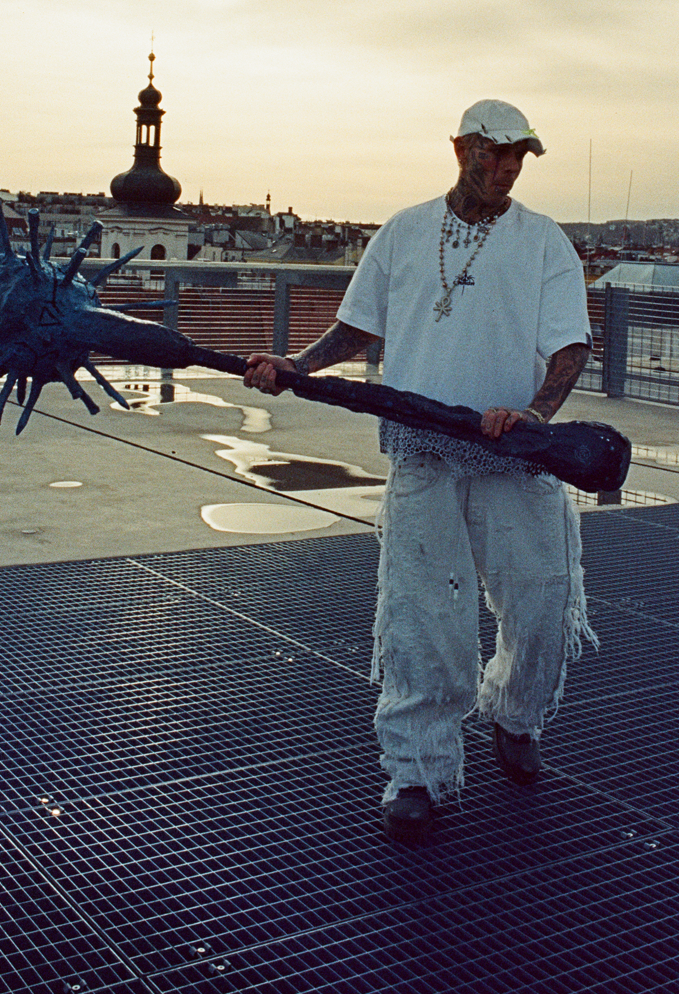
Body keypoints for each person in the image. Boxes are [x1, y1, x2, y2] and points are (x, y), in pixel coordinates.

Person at [244, 99, 595, 845]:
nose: (503, 170)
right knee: (423, 614)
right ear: (460, 147)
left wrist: (535, 414)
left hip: (515, 453)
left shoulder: (544, 243)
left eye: (517, 159)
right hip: (422, 452)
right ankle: (417, 770)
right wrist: (295, 367)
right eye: (492, 154)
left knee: (538, 603)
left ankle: (515, 715)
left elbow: (569, 348)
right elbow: (355, 327)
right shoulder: (403, 234)